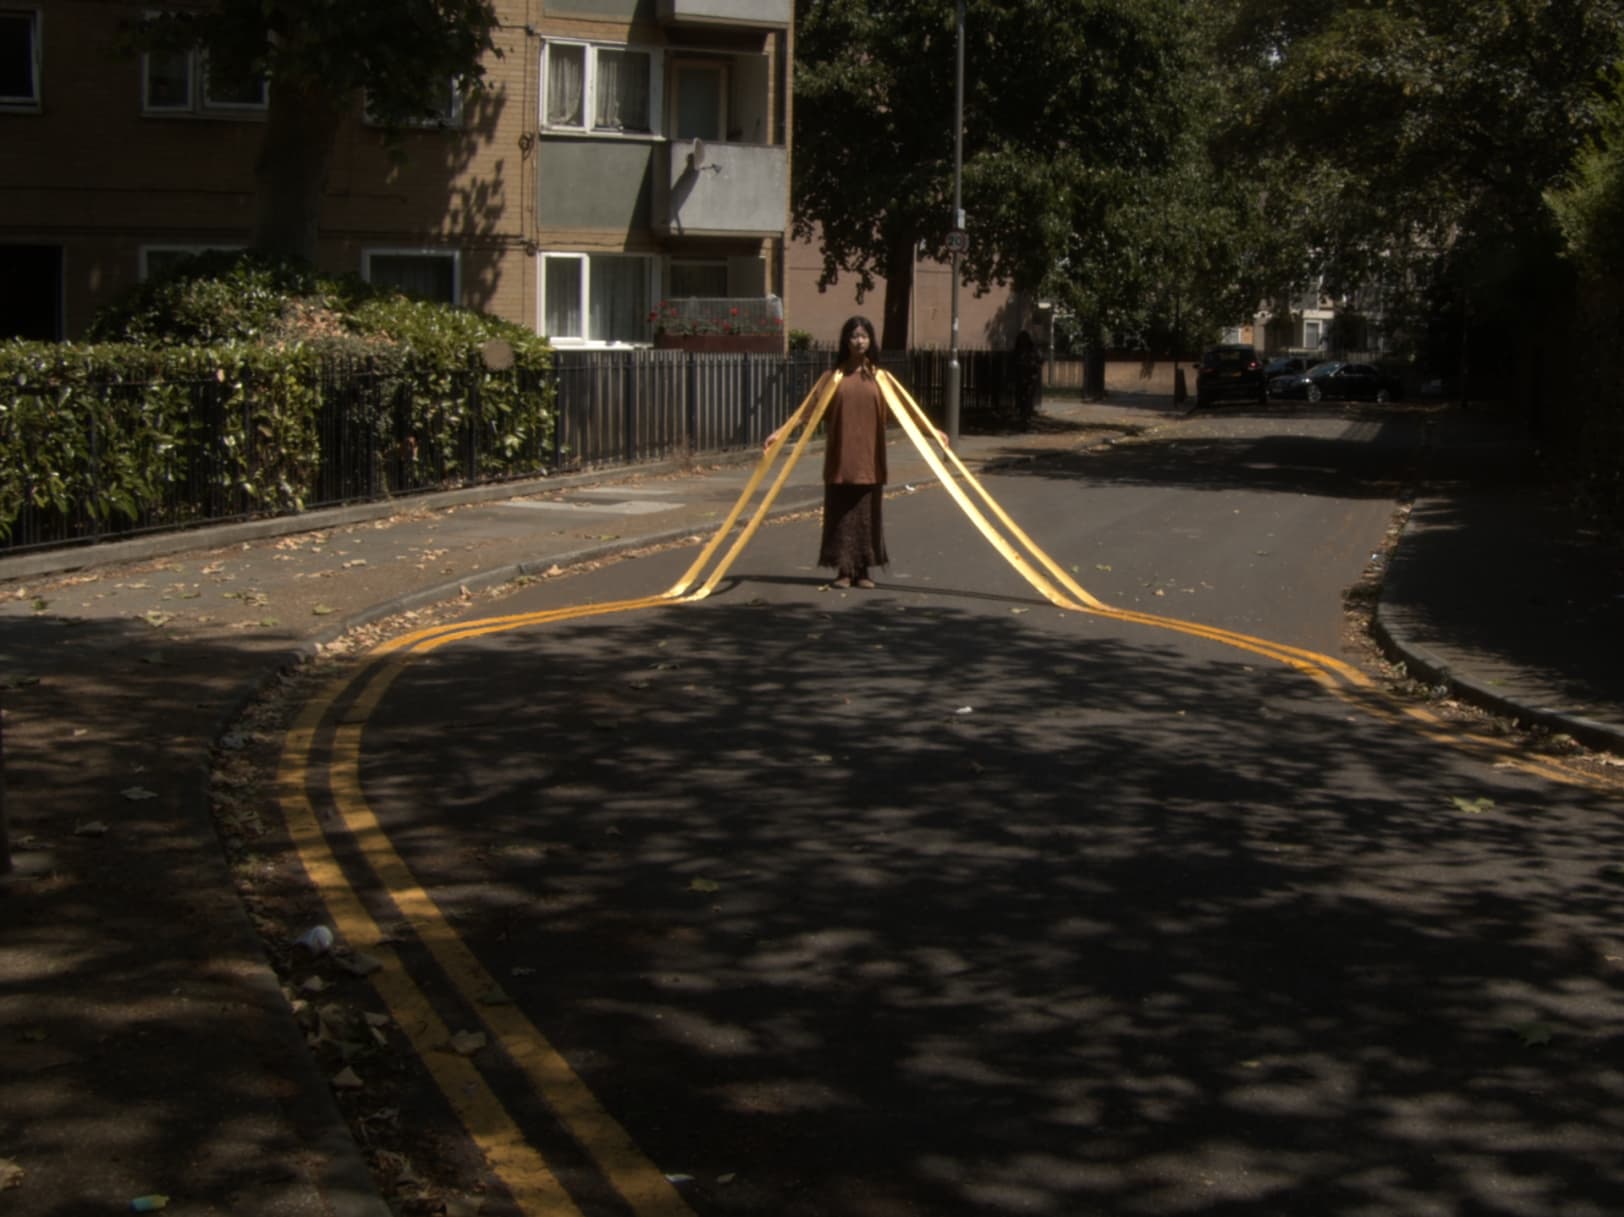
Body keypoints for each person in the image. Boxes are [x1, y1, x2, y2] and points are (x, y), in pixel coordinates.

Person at [765, 315, 945, 590]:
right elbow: (806, 412)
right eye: (854, 336)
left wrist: (933, 431)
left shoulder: (881, 379)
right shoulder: (832, 377)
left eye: (864, 336)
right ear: (846, 341)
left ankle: (863, 571)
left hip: (870, 461)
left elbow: (907, 412)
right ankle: (843, 571)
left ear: (871, 340)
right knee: (841, 516)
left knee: (866, 516)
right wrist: (781, 432)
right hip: (840, 460)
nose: (859, 341)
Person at [1013, 329, 1043, 428]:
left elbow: (1040, 360)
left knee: (1028, 398)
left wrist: (1035, 368)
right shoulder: (1017, 350)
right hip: (1020, 377)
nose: (1023, 341)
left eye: (1024, 339)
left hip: (1030, 378)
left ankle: (1026, 417)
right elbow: (1013, 362)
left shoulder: (1033, 350)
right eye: (1021, 339)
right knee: (1021, 398)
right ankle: (1022, 416)